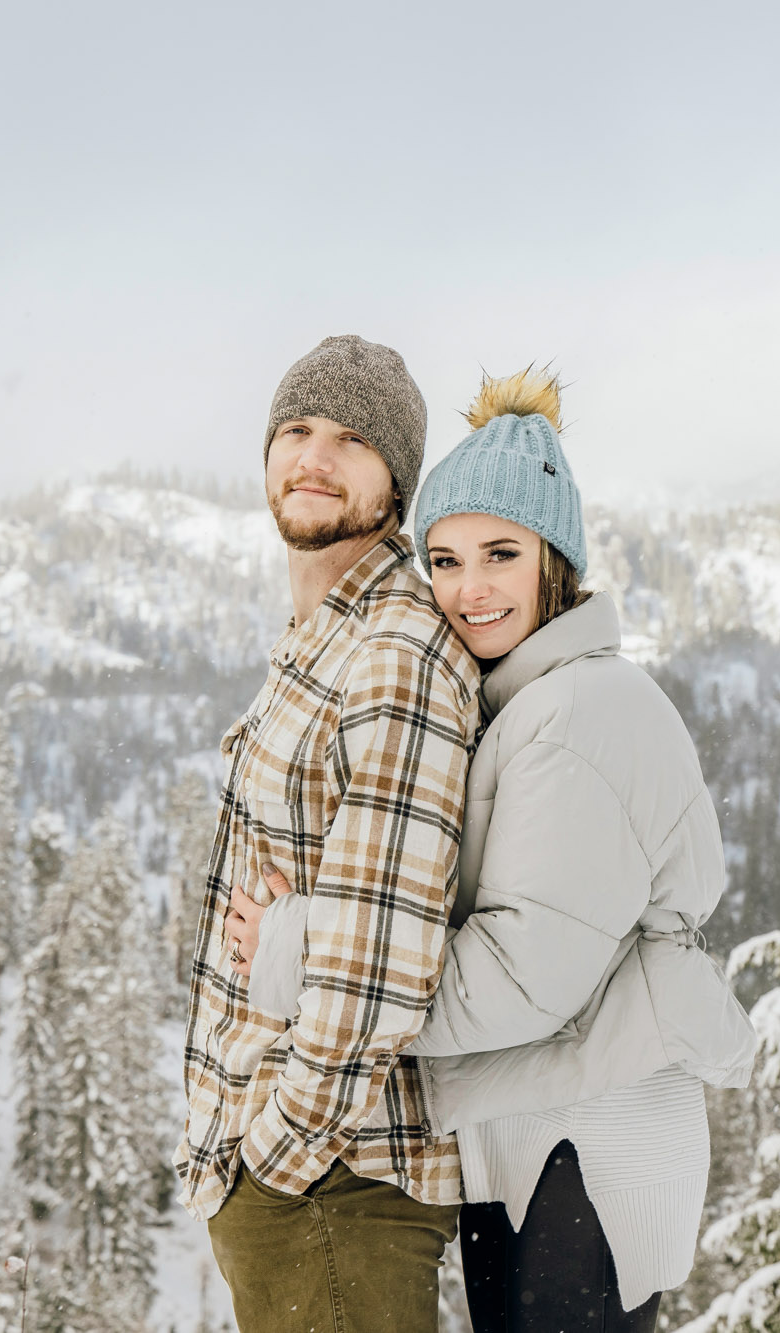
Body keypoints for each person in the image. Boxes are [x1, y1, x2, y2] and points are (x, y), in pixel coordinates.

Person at [229, 368, 758, 1331]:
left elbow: (522, 980)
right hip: (541, 1137)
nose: (468, 590)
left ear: (555, 558)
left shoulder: (576, 714)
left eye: (500, 554)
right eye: (443, 559)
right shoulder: (528, 703)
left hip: (586, 1147)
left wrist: (305, 951)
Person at [175, 335, 482, 1333]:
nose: (312, 455)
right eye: (296, 429)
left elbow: (380, 958)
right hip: (298, 1186)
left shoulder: (394, 650)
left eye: (352, 439)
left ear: (394, 479)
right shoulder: (325, 632)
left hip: (335, 1183)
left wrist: (277, 1149)